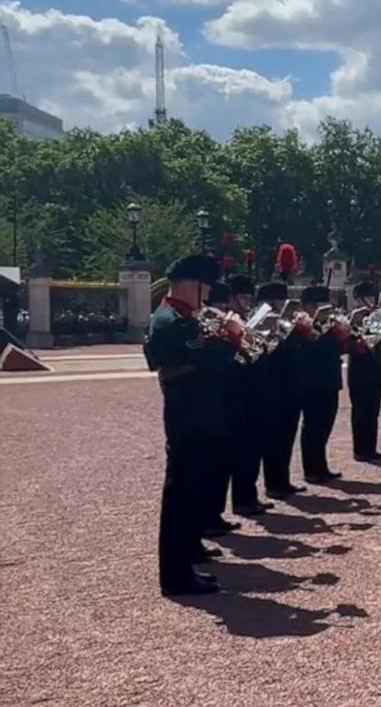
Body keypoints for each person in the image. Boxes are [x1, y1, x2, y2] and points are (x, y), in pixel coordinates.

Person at [145, 253, 237, 596]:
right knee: (181, 496)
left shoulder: (183, 318)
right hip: (189, 417)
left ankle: (187, 558)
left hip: (197, 415)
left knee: (192, 492)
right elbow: (212, 364)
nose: (208, 293)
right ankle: (176, 574)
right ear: (190, 284)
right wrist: (230, 338)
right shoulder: (173, 321)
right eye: (205, 286)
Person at [217, 274, 272, 518]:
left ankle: (248, 495)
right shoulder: (227, 321)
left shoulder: (249, 319)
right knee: (241, 449)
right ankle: (241, 499)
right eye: (243, 297)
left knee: (254, 448)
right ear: (231, 298)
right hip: (237, 392)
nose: (247, 301)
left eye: (250, 297)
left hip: (256, 390)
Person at [255, 279, 303, 500]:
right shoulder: (261, 321)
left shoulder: (287, 321)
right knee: (273, 439)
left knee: (286, 437)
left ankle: (282, 480)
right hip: (270, 387)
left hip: (289, 387)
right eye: (279, 300)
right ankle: (273, 483)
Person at [293, 284, 346, 484]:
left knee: (325, 424)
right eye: (316, 305)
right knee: (313, 426)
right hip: (311, 380)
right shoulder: (300, 325)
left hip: (330, 379)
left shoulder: (330, 325)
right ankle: (311, 469)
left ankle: (321, 465)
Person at [345, 280, 381, 462]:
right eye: (368, 297)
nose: (371, 300)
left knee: (373, 410)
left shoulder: (377, 314)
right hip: (359, 369)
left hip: (375, 368)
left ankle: (370, 447)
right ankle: (360, 449)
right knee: (361, 410)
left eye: (373, 296)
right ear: (358, 299)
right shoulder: (354, 316)